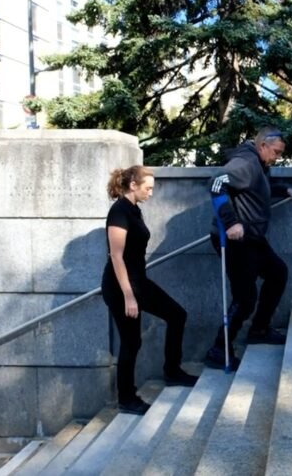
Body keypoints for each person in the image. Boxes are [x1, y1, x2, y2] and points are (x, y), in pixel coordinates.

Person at [102, 165, 198, 415]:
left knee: (177, 315)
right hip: (120, 286)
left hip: (138, 281)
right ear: (133, 185)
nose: (151, 193)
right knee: (131, 342)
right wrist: (129, 296)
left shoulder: (134, 210)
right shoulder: (119, 212)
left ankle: (173, 371)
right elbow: (116, 256)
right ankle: (127, 398)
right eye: (148, 188)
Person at [204, 127, 292, 370]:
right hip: (236, 241)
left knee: (277, 273)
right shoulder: (245, 162)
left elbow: (256, 188)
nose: (277, 157)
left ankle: (259, 329)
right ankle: (218, 350)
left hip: (253, 239)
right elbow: (215, 183)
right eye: (275, 152)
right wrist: (231, 222)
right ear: (263, 145)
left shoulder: (259, 164)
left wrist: (282, 189)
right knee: (245, 299)